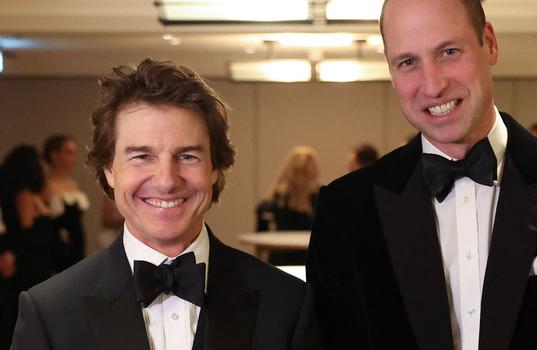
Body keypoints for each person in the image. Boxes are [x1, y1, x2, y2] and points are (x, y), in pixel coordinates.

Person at [306, 0, 537, 349]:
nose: (433, 85)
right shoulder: (345, 210)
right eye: (408, 62)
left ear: (490, 43)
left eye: (449, 52)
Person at [11, 59, 321, 350]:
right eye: (142, 156)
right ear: (109, 170)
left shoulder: (287, 304)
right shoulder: (49, 311)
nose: (166, 180)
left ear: (215, 168)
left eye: (187, 156)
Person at [0, 145, 56, 349]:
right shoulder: (24, 195)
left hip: (37, 260)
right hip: (30, 263)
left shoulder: (34, 195)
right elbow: (27, 234)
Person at [256, 146, 319, 265]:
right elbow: (262, 220)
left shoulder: (316, 197)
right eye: (305, 173)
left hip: (309, 259)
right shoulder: (279, 199)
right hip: (283, 258)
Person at [43, 134, 89, 271]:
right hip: (57, 249)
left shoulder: (72, 184)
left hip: (77, 247)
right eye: (69, 153)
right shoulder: (46, 185)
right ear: (54, 155)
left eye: (75, 153)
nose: (73, 158)